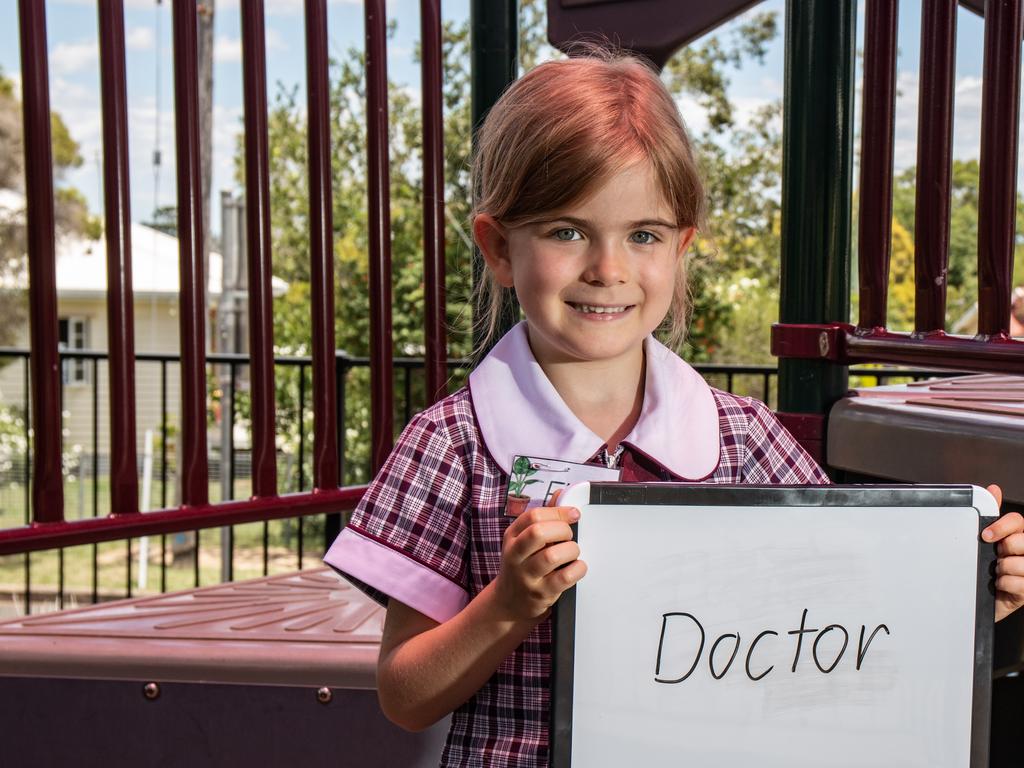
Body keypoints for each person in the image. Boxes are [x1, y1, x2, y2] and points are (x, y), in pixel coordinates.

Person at [323, 52, 1024, 767]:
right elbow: (406, 695)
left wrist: (967, 593)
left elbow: (840, 625)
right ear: (500, 248)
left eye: (644, 235)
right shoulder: (449, 445)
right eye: (567, 231)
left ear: (681, 246)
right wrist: (506, 604)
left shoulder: (746, 440)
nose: (609, 268)